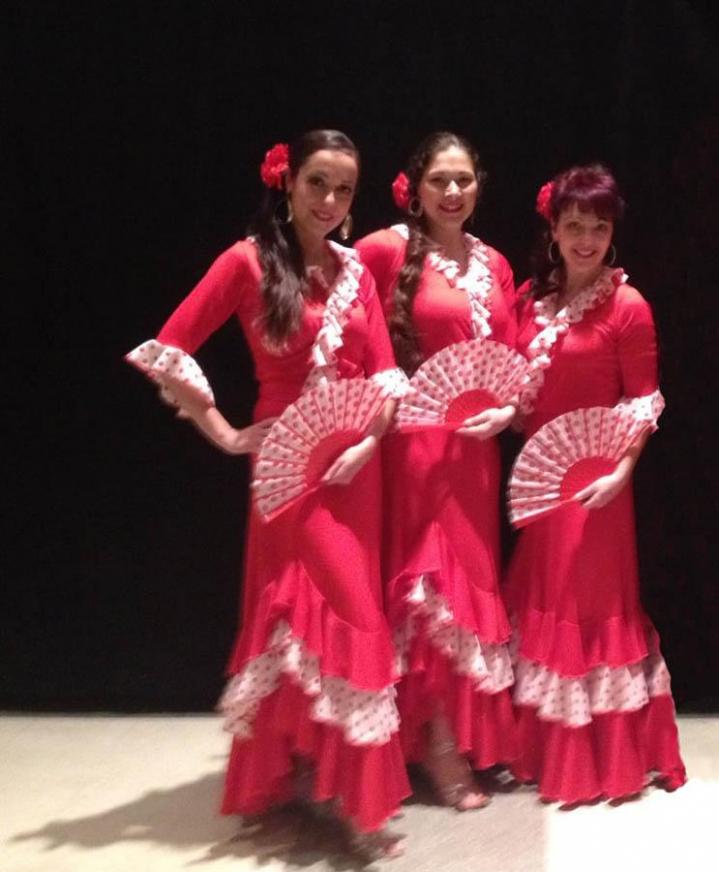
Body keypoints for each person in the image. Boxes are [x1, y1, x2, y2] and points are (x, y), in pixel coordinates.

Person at [126, 130, 411, 856]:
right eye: (317, 182)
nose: (329, 200)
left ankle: (324, 779)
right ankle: (344, 792)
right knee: (319, 610)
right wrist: (221, 430)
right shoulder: (246, 261)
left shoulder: (354, 273)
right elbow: (170, 347)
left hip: (354, 470)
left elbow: (383, 377)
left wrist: (370, 441)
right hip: (286, 471)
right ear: (287, 185)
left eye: (344, 189)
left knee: (348, 613)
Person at [506, 164, 686, 804]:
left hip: (597, 485)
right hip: (541, 480)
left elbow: (643, 400)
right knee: (544, 604)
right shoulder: (531, 298)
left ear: (613, 234)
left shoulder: (628, 305)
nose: (586, 239)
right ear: (552, 228)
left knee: (589, 613)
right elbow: (518, 389)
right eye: (574, 226)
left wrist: (621, 469)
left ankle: (601, 761)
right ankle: (538, 750)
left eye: (598, 228)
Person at [356, 132, 518, 810]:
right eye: (439, 181)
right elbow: (340, 321)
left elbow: (509, 360)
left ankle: (453, 734)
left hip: (476, 453)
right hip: (414, 447)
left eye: (463, 180)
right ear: (414, 188)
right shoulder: (384, 249)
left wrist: (506, 410)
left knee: (467, 590)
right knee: (427, 590)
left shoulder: (496, 263)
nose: (452, 193)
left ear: (478, 185)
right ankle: (436, 746)